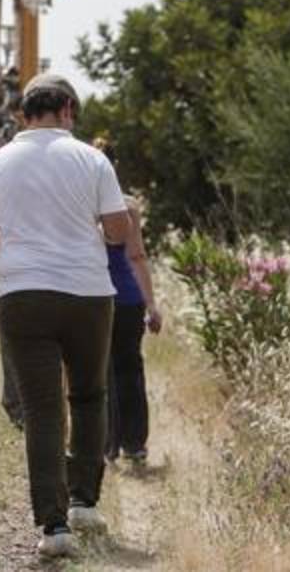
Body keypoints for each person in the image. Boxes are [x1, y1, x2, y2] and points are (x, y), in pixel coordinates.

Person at [0, 74, 132, 558]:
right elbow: (118, 230)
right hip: (86, 292)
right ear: (66, 109)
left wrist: (22, 243)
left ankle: (54, 527)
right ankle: (84, 499)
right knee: (88, 395)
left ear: (23, 114)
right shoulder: (92, 158)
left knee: (42, 410)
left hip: (22, 293)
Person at [92, 141, 164, 465]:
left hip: (94, 295)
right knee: (130, 368)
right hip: (128, 297)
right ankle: (135, 442)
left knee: (98, 369)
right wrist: (151, 305)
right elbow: (137, 257)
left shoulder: (80, 205)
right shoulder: (128, 206)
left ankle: (107, 442)